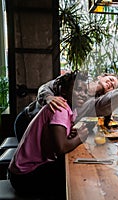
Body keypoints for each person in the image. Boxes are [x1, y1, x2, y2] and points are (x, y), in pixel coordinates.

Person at [9, 71, 89, 199]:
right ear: (63, 91)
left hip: (25, 170)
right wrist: (80, 138)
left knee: (73, 170)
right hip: (23, 176)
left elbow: (55, 139)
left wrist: (69, 135)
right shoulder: (60, 108)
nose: (83, 95)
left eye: (86, 92)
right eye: (78, 89)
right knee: (74, 178)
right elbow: (61, 148)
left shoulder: (70, 109)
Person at [14, 73, 118, 142]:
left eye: (114, 86)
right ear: (101, 76)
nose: (111, 83)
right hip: (28, 119)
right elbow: (45, 87)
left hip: (49, 131)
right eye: (110, 79)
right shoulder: (76, 80)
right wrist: (48, 97)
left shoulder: (96, 102)